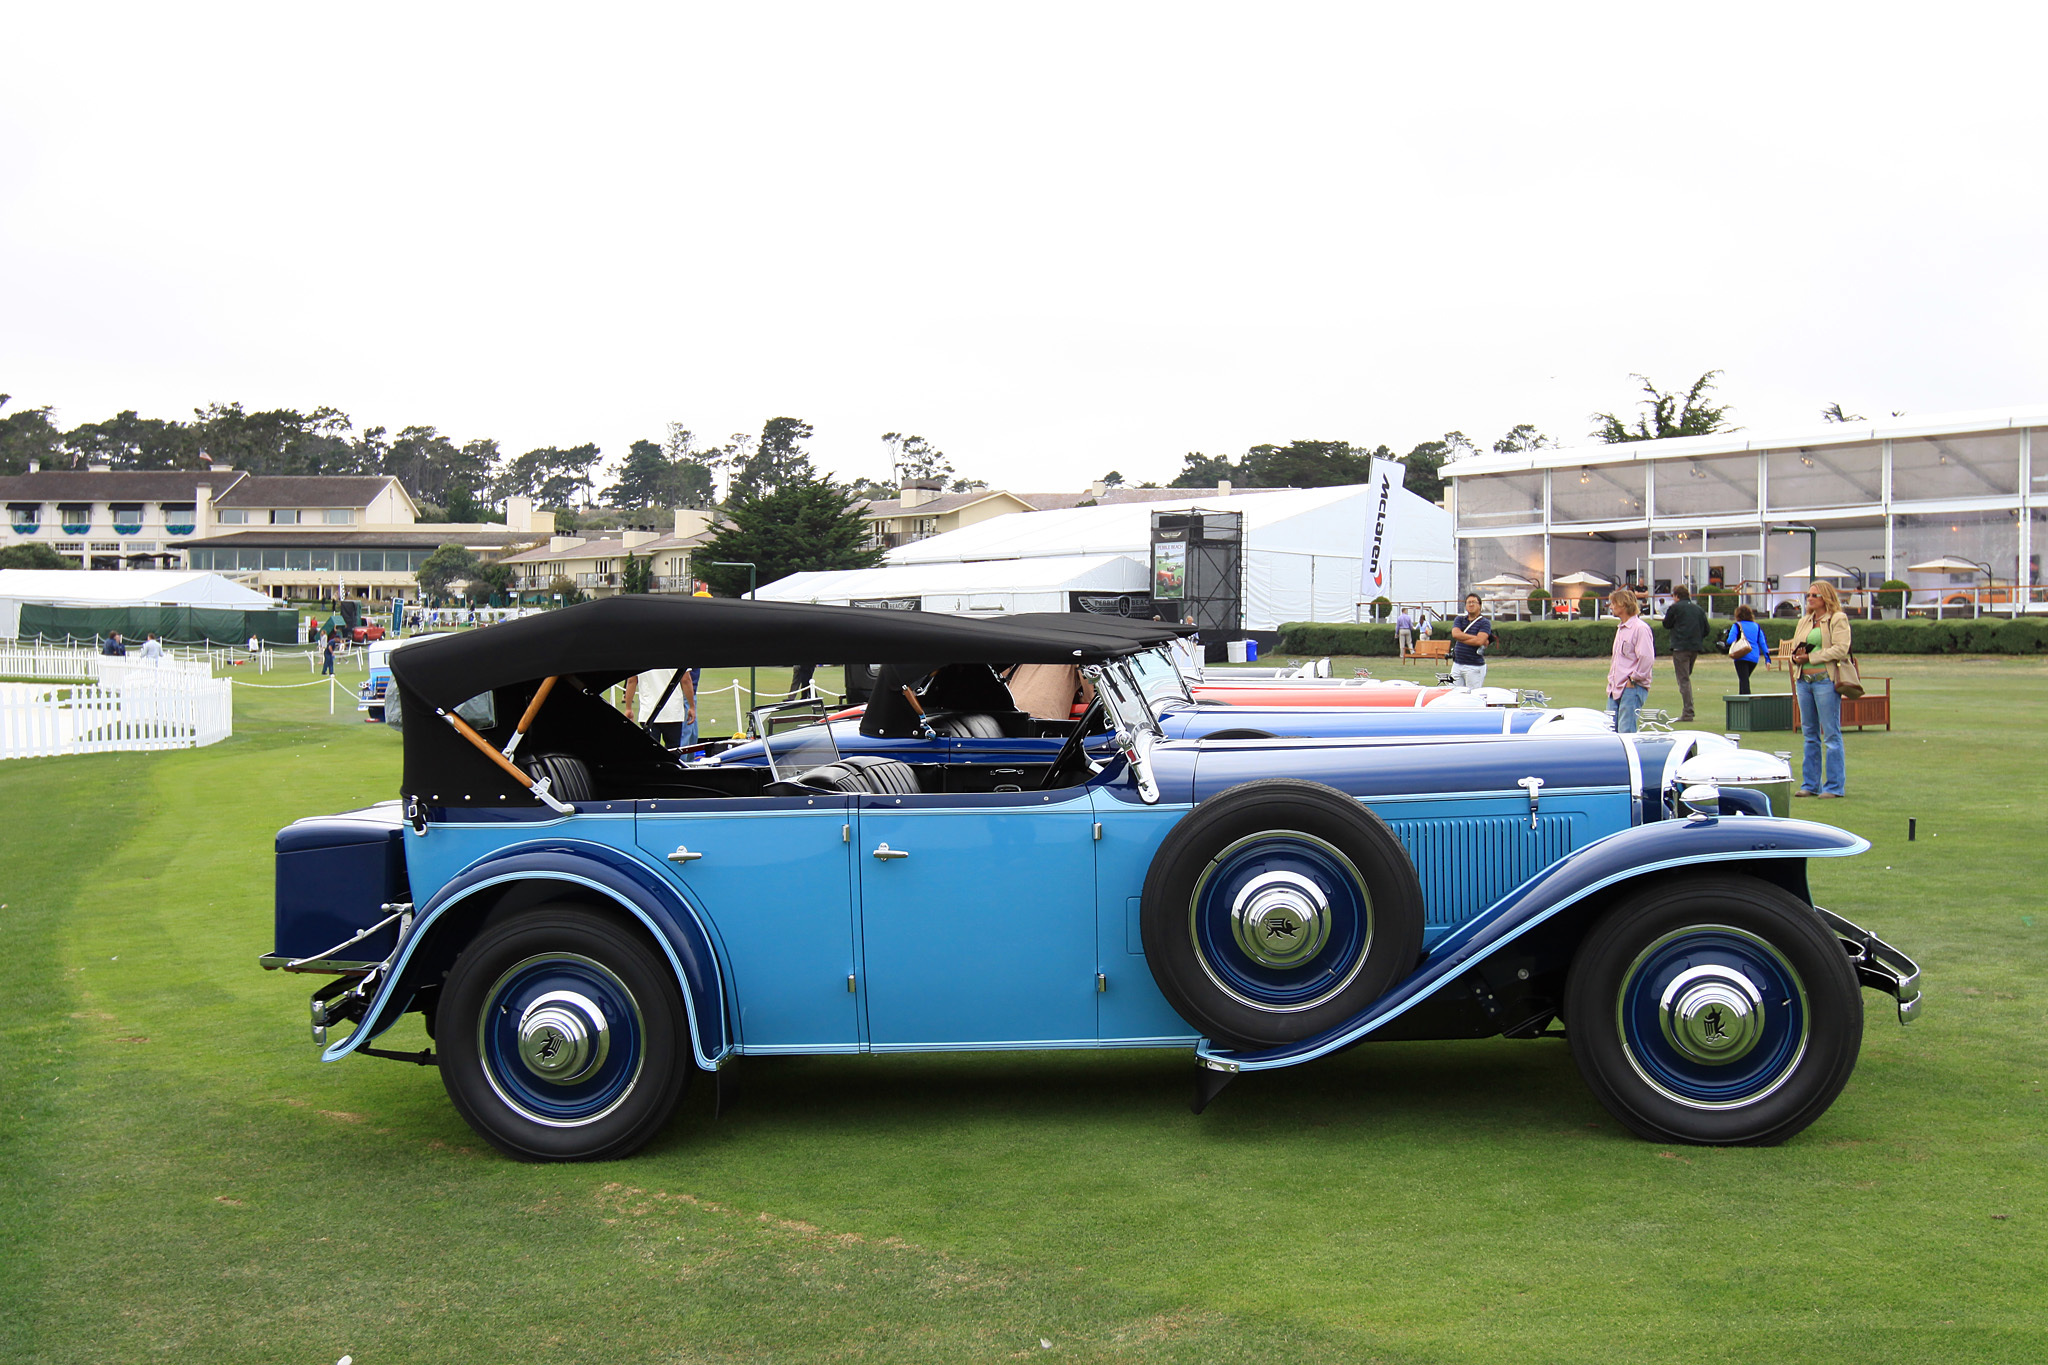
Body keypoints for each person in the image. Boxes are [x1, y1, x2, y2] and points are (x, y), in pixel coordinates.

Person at [1791, 581, 1853, 798]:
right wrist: (1797, 656)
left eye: (1814, 595)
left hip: (1825, 680)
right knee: (1809, 734)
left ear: (1825, 597)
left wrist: (1812, 657)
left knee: (1831, 735)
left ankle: (1834, 786)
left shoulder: (1837, 619)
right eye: (1808, 594)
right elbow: (1795, 645)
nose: (1810, 598)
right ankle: (1810, 784)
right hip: (1803, 681)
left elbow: (1841, 649)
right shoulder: (1805, 620)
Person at [1605, 588, 1653, 732]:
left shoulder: (1640, 628)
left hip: (1631, 688)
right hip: (1614, 688)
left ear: (1623, 605)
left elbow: (1646, 657)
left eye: (1614, 603)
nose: (1611, 606)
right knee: (1610, 730)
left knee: (1626, 732)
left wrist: (1633, 680)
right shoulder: (1620, 629)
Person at [1662, 584, 1710, 722]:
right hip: (1694, 647)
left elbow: (1666, 624)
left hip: (1680, 647)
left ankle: (1688, 712)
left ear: (1676, 596)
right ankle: (1688, 708)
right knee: (1686, 677)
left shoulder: (1675, 608)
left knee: (1683, 680)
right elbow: (1706, 629)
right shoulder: (1698, 609)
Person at [622, 666, 699, 749]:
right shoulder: (678, 655)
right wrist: (691, 706)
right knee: (673, 752)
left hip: (648, 713)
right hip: (673, 711)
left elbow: (631, 681)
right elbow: (686, 680)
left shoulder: (639, 657)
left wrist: (628, 708)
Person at [1449, 593, 1493, 690]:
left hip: (1474, 666)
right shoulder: (1459, 619)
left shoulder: (1484, 623)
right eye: (1469, 602)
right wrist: (1473, 638)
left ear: (1480, 606)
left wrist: (1461, 637)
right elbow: (1455, 634)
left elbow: (1479, 641)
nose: (1471, 605)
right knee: (1453, 694)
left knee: (1473, 695)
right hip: (1457, 664)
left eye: (1474, 602)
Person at [1723, 604, 1770, 695]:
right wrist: (1767, 659)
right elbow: (1763, 643)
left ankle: (1746, 703)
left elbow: (1730, 640)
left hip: (1741, 656)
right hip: (1754, 657)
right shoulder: (1757, 626)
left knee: (1744, 681)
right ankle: (1742, 700)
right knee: (1744, 679)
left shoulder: (1737, 625)